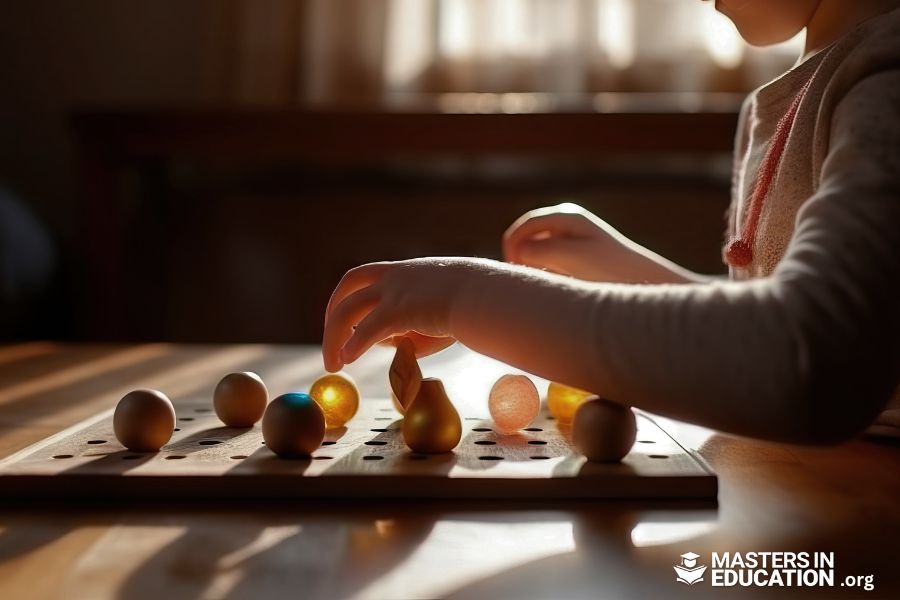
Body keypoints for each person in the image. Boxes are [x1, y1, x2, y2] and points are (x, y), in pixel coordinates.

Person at [322, 0, 900, 443]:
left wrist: (465, 297)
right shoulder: (796, 93)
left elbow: (815, 364)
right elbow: (784, 327)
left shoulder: (885, 77)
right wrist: (637, 275)